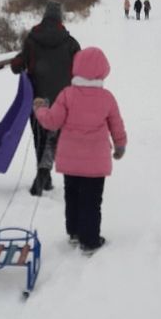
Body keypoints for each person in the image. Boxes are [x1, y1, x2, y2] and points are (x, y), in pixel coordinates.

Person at [33, 46, 127, 254]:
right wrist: (120, 145)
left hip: (71, 161)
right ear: (103, 71)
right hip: (96, 162)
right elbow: (116, 125)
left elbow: (52, 121)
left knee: (73, 197)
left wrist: (40, 109)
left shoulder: (67, 95)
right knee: (92, 201)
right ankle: (90, 240)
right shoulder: (107, 98)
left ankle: (74, 232)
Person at [9, 0, 80, 195]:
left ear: (44, 16)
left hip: (37, 97)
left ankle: (44, 177)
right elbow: (81, 68)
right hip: (62, 99)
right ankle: (43, 176)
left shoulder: (32, 39)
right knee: (53, 139)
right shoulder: (70, 42)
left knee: (40, 137)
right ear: (60, 18)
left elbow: (18, 65)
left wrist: (17, 61)